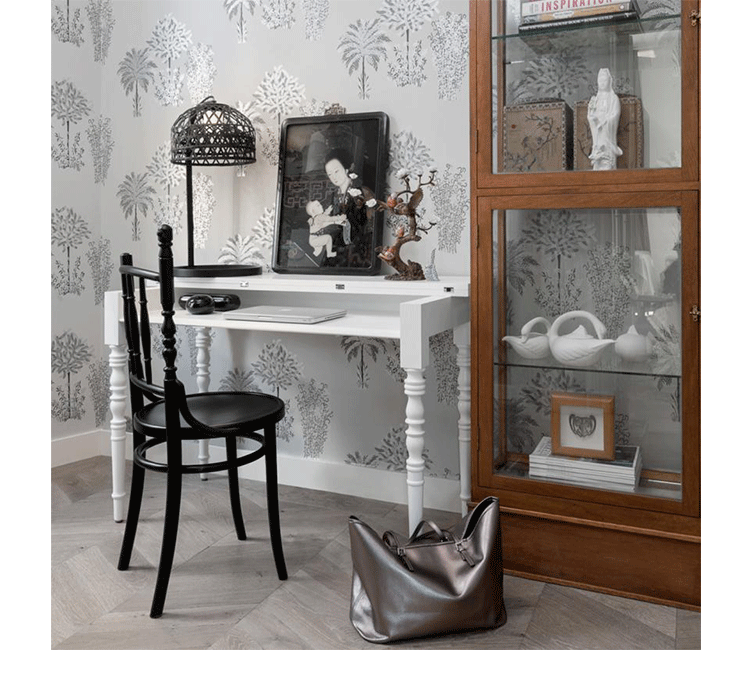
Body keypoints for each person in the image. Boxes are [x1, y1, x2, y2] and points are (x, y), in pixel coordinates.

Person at [587, 67, 622, 170]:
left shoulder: (613, 98)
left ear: (609, 81)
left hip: (607, 130)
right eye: (600, 80)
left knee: (607, 154)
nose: (602, 83)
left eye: (605, 80)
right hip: (598, 132)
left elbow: (615, 114)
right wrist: (593, 119)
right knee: (598, 149)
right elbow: (590, 115)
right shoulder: (595, 99)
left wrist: (605, 122)